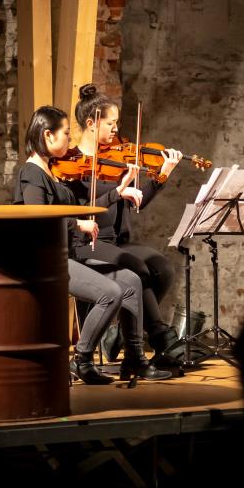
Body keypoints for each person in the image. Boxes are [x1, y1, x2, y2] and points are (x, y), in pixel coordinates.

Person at [13, 105, 170, 384]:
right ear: (48, 135)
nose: (69, 140)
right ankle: (82, 360)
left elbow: (82, 209)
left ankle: (135, 358)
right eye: (65, 133)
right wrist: (76, 224)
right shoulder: (31, 173)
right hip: (47, 259)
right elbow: (36, 219)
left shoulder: (49, 172)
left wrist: (118, 193)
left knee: (132, 281)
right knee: (110, 292)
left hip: (67, 253)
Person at [70, 84, 185, 362]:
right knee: (137, 268)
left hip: (117, 241)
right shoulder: (72, 163)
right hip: (89, 243)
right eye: (110, 123)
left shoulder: (116, 158)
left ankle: (123, 332)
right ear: (91, 123)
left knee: (163, 269)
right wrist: (116, 190)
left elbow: (138, 203)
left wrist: (161, 176)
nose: (115, 129)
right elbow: (79, 210)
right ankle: (160, 337)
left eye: (116, 123)